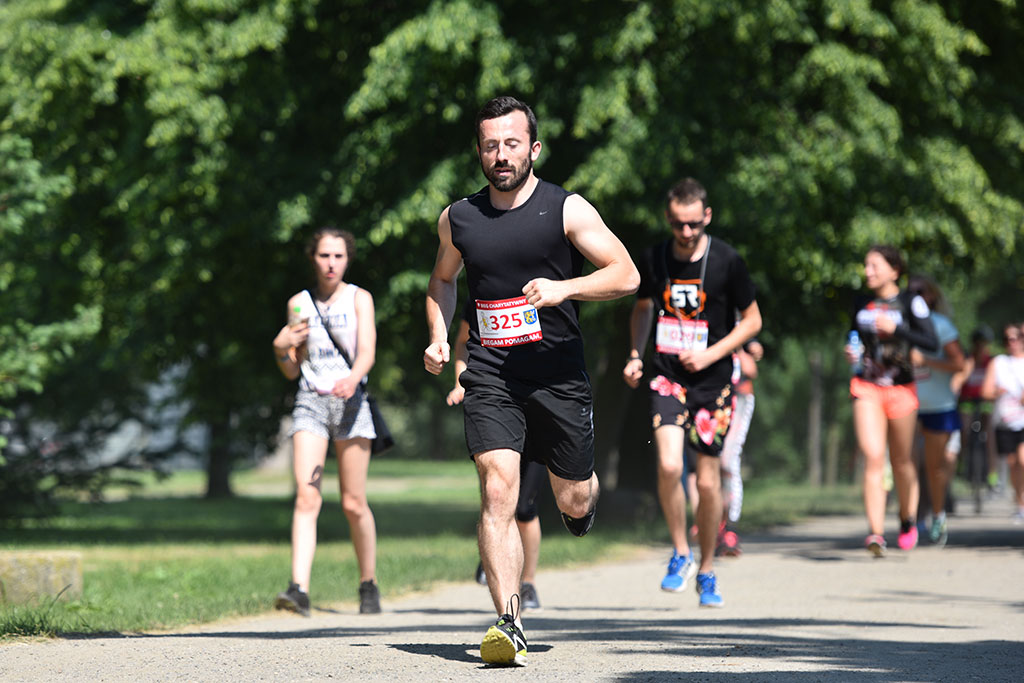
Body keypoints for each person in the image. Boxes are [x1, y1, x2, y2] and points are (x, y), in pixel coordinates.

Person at [424, 96, 639, 666]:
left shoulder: (565, 209)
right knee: (498, 486)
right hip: (491, 371)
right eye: (491, 145)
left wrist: (564, 288)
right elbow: (442, 282)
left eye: (512, 143)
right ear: (479, 151)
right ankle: (508, 621)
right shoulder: (458, 218)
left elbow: (626, 274)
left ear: (533, 149)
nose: (501, 155)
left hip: (558, 374)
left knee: (570, 500)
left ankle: (582, 497)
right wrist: (441, 337)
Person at [623, 177, 762, 608]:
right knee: (668, 465)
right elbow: (643, 307)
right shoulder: (654, 258)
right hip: (667, 375)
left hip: (714, 381)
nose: (685, 233)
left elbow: (753, 321)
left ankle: (707, 568)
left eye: (693, 225)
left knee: (706, 481)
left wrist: (711, 355)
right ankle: (680, 552)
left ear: (707, 217)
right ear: (669, 218)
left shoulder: (727, 261)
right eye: (678, 224)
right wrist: (634, 353)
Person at [271, 227, 381, 616]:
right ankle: (298, 588)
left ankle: (368, 583)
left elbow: (367, 351)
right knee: (307, 495)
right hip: (311, 403)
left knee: (353, 502)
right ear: (312, 259)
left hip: (351, 403)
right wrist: (281, 348)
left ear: (347, 259)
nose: (331, 263)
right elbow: (291, 369)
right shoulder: (299, 305)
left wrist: (353, 379)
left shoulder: (358, 298)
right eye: (323, 256)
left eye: (338, 256)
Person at [447, 315, 546, 610]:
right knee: (497, 492)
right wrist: (460, 382)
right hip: (495, 402)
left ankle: (528, 582)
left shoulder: (548, 284)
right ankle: (499, 564)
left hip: (540, 404)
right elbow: (463, 341)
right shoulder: (483, 289)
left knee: (525, 506)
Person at [846, 246, 938, 557]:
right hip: (866, 385)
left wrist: (898, 329)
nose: (867, 271)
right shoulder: (861, 302)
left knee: (902, 460)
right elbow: (853, 336)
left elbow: (931, 341)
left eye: (874, 265)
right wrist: (851, 352)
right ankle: (875, 532)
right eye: (866, 265)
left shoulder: (912, 302)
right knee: (873, 457)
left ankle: (907, 519)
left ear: (894, 270)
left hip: (901, 389)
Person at [907, 275, 965, 546]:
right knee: (909, 465)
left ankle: (939, 515)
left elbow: (959, 364)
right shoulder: (900, 326)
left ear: (931, 296)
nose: (915, 295)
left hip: (938, 406)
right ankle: (913, 519)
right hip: (906, 404)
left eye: (920, 291)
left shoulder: (941, 326)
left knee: (933, 468)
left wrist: (926, 360)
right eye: (910, 290)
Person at [980, 322, 1024, 521]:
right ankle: (1019, 500)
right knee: (1012, 463)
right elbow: (985, 391)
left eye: (1015, 338)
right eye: (1007, 339)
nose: (1011, 342)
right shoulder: (998, 363)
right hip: (1004, 420)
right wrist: (997, 392)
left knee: (1022, 460)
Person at [954, 325, 997, 491]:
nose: (980, 348)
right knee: (964, 428)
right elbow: (959, 382)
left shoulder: (991, 362)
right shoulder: (968, 360)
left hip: (985, 401)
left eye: (983, 344)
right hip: (967, 401)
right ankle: (962, 459)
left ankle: (992, 473)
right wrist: (968, 367)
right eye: (977, 344)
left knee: (989, 431)